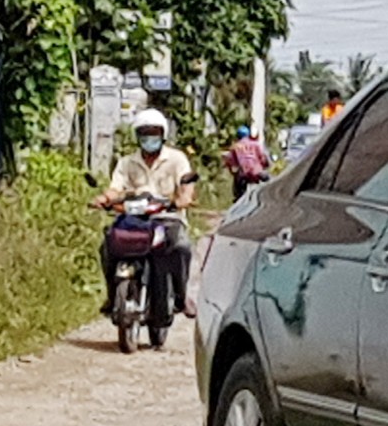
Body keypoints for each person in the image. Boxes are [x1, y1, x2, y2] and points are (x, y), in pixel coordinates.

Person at [96, 108, 198, 319]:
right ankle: (112, 294)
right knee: (108, 244)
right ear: (137, 136)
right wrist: (105, 198)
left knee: (181, 248)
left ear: (163, 134)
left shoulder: (177, 159)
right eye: (145, 133)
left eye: (154, 133)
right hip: (134, 219)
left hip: (167, 218)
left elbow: (186, 185)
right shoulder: (126, 162)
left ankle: (181, 295)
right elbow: (115, 187)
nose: (149, 138)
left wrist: (183, 199)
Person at [223, 126, 270, 199]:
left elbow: (230, 161)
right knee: (269, 182)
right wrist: (265, 165)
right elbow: (263, 157)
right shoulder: (256, 144)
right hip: (257, 171)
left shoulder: (235, 147)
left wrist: (232, 172)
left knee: (238, 189)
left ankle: (238, 198)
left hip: (243, 172)